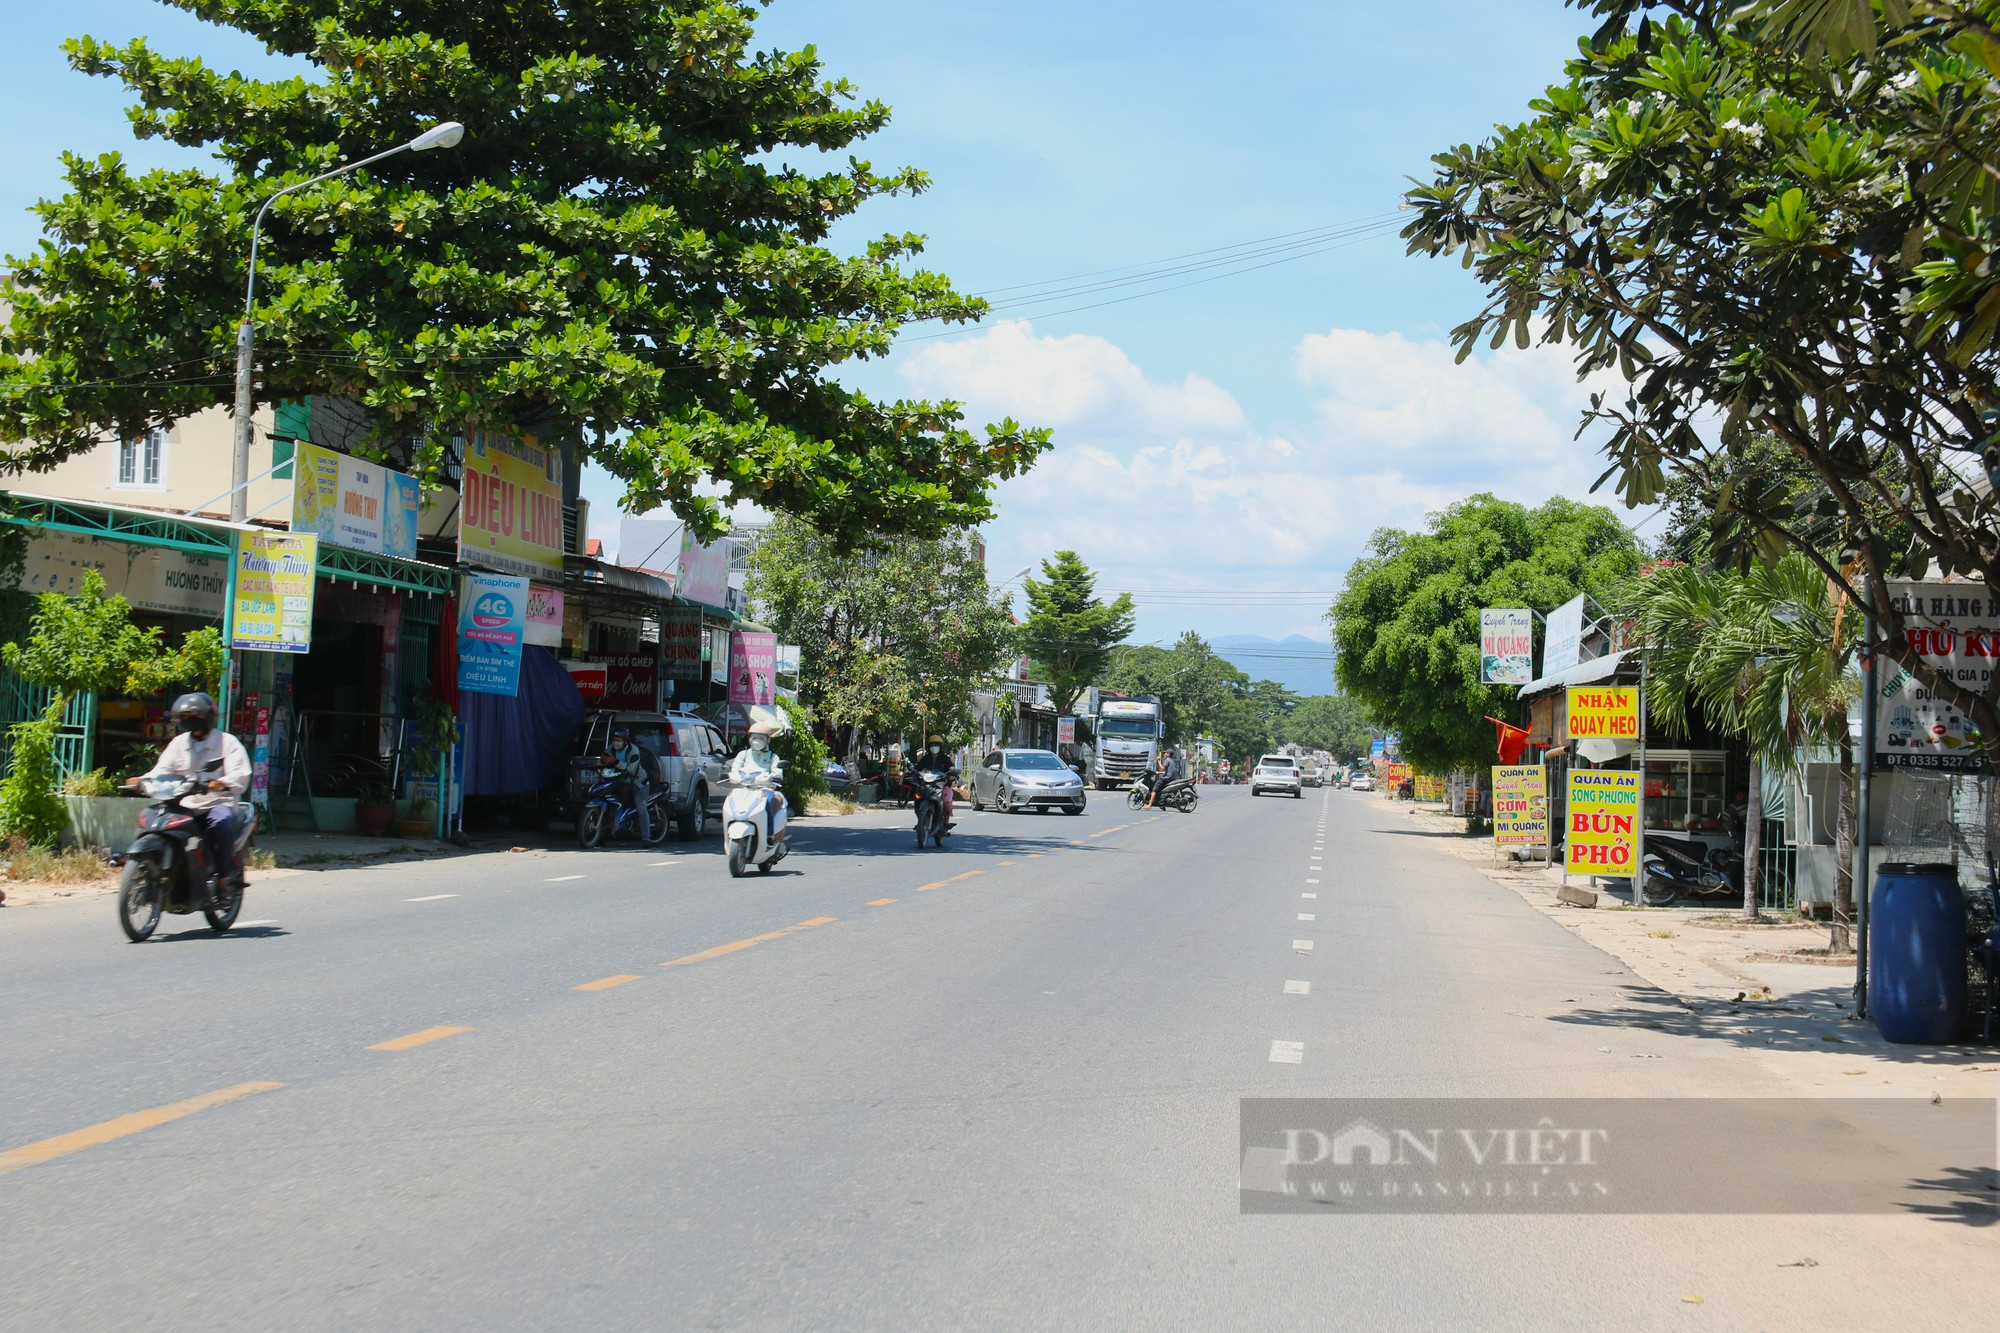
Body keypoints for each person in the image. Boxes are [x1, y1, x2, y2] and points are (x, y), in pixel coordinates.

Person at [125, 692, 251, 901]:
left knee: (220, 823)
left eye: (194, 714)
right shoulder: (178, 743)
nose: (188, 720)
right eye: (184, 716)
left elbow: (240, 774)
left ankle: (224, 880)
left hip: (216, 802)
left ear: (207, 716)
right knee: (152, 819)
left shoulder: (227, 742)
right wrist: (143, 780)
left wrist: (222, 783)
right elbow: (162, 770)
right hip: (184, 802)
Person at [729, 720, 788, 840]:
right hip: (744, 789)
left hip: (764, 789)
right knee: (730, 801)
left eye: (761, 738)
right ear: (749, 739)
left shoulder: (773, 757)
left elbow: (777, 773)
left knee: (769, 801)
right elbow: (735, 769)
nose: (757, 741)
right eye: (754, 737)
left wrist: (773, 778)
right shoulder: (743, 755)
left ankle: (769, 834)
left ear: (768, 740)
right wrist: (733, 776)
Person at [601, 725, 652, 841]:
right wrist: (602, 761)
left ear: (625, 741)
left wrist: (615, 761)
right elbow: (603, 759)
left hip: (637, 781)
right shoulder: (611, 748)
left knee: (641, 807)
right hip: (618, 780)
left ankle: (646, 837)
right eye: (614, 740)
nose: (616, 743)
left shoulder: (633, 750)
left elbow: (630, 769)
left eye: (618, 741)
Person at [912, 735, 957, 829]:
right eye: (932, 745)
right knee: (917, 800)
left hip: (942, 785)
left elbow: (951, 768)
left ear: (940, 747)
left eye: (936, 745)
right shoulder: (925, 759)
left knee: (947, 802)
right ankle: (920, 820)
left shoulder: (945, 759)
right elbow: (918, 768)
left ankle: (946, 822)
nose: (934, 747)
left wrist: (952, 773)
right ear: (929, 747)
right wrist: (913, 771)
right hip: (927, 784)